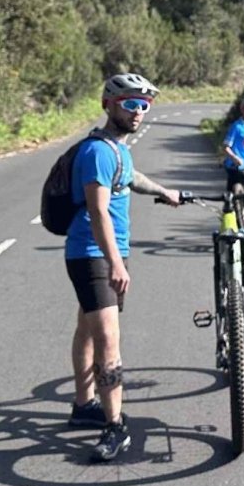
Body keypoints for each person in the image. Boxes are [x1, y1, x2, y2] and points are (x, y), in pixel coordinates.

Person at [65, 72, 181, 463]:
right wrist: (116, 262)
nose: (139, 112)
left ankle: (84, 405)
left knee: (87, 328)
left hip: (103, 252)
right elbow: (96, 210)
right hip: (95, 254)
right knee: (109, 342)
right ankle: (115, 426)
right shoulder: (97, 151)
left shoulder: (118, 150)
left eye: (144, 105)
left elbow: (131, 179)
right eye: (131, 103)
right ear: (108, 104)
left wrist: (164, 192)